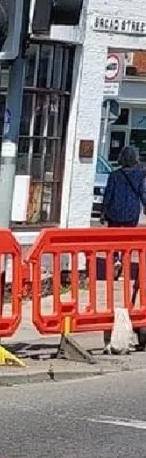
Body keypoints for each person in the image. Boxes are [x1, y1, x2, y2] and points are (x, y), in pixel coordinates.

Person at [100, 145, 146, 353]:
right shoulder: (139, 174)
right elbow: (143, 193)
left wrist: (103, 212)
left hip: (114, 211)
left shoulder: (114, 175)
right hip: (131, 211)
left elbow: (108, 194)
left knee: (114, 241)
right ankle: (124, 261)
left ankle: (116, 259)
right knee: (128, 239)